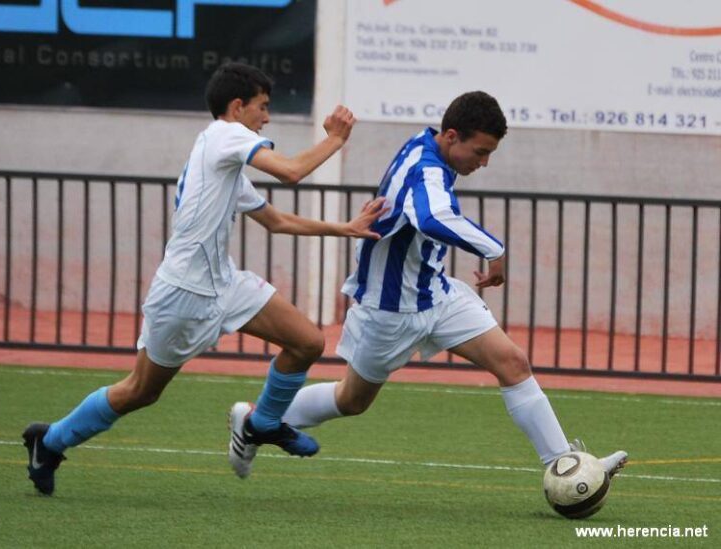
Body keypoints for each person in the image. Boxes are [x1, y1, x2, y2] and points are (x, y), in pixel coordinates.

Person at [22, 62, 387, 495]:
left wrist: (343, 228)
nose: (266, 117)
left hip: (224, 284)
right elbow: (290, 171)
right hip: (183, 294)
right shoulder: (225, 135)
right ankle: (50, 441)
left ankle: (262, 423)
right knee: (140, 391)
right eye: (263, 107)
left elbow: (276, 221)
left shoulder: (224, 158)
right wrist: (335, 139)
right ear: (238, 107)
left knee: (307, 341)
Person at [230, 91, 628, 480]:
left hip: (437, 294)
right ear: (452, 136)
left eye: (490, 153)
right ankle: (256, 419)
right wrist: (495, 249)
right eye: (480, 152)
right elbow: (433, 217)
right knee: (351, 400)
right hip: (389, 311)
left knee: (513, 363)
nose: (485, 163)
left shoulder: (430, 147)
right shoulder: (426, 168)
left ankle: (565, 465)